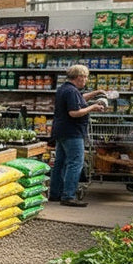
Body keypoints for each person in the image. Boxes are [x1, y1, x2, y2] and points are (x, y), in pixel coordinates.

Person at [49, 65, 107, 208]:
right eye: (85, 77)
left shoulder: (65, 89)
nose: (86, 80)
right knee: (75, 163)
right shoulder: (71, 91)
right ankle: (69, 196)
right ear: (79, 77)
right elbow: (74, 112)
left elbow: (79, 99)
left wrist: (95, 93)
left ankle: (55, 193)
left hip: (61, 131)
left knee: (60, 163)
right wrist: (93, 108)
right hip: (72, 132)